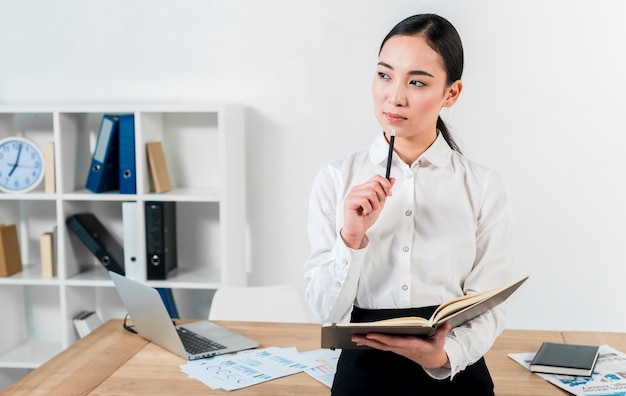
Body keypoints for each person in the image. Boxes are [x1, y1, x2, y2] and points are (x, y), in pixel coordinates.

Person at [303, 13, 513, 395]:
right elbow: (326, 313)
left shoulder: (482, 186)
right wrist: (351, 238)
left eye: (416, 82)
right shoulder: (336, 179)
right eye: (384, 75)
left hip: (454, 367)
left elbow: (490, 306)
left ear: (451, 94)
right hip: (364, 370)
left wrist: (443, 357)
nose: (394, 96)